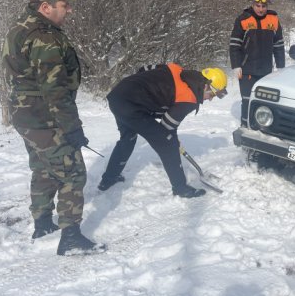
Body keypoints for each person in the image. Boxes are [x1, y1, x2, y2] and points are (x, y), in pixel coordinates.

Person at [2, 0, 105, 256]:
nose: (68, 10)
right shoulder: (44, 36)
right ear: (45, 6)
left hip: (25, 115)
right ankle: (70, 236)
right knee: (72, 172)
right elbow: (55, 89)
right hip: (44, 116)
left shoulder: (18, 29)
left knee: (43, 167)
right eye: (63, 4)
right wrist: (72, 128)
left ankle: (43, 223)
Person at [98, 64, 228, 197]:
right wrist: (173, 141)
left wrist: (144, 88)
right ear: (205, 85)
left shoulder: (177, 69)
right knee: (168, 145)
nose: (211, 98)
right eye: (212, 94)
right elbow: (167, 125)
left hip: (119, 94)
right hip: (131, 106)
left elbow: (145, 68)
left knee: (128, 138)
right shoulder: (188, 97)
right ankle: (180, 188)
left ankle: (108, 179)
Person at [229, 0, 285, 127]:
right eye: (257, 5)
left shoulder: (273, 19)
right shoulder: (243, 18)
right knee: (248, 101)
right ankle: (245, 127)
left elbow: (279, 44)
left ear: (267, 5)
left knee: (264, 103)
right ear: (253, 4)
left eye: (264, 6)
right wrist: (236, 65)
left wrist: (281, 67)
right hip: (247, 69)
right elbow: (234, 43)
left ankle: (262, 129)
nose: (260, 9)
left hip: (266, 70)